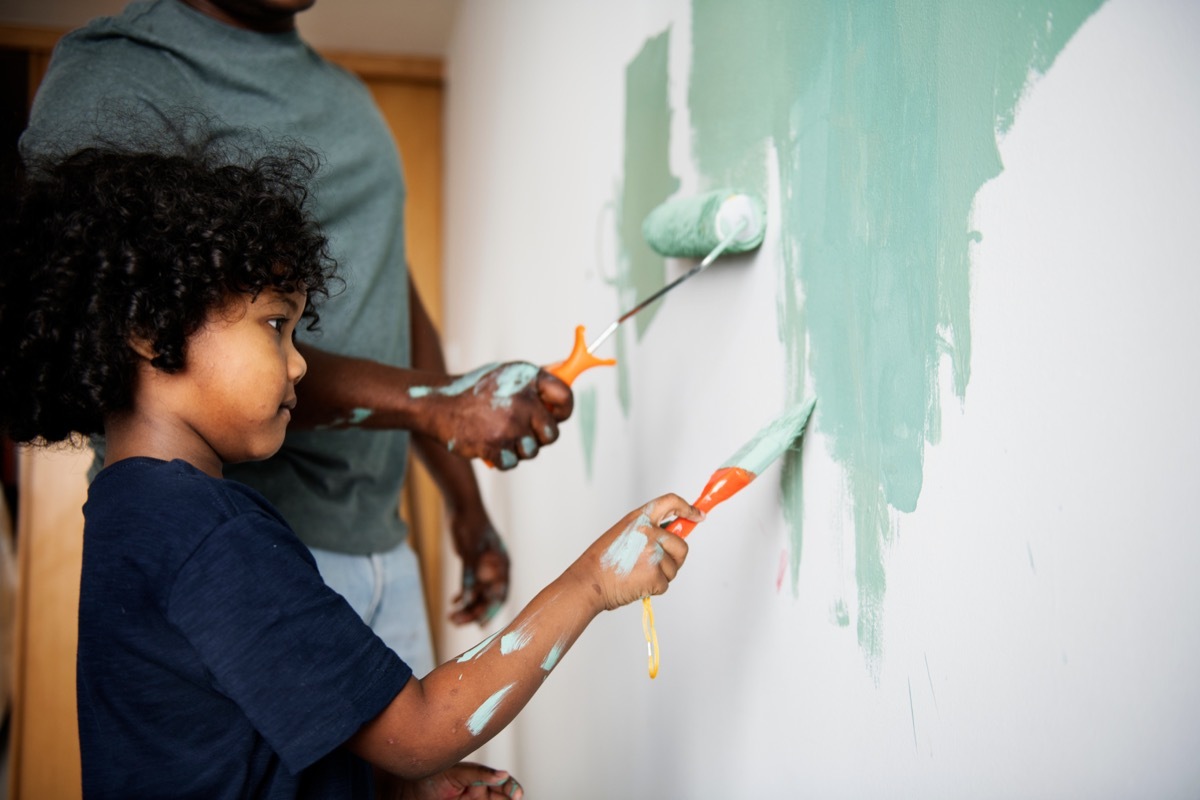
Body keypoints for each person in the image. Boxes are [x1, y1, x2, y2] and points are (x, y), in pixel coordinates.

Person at [0, 139, 697, 798]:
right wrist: (593, 581)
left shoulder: (129, 513)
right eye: (276, 324)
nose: (300, 362)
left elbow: (241, 747)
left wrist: (390, 790)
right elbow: (422, 730)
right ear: (152, 331)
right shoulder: (211, 537)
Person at [19, 0, 570, 677]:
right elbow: (107, 319)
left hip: (383, 550)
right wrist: (435, 403)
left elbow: (390, 294)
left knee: (415, 776)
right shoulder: (119, 71)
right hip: (232, 549)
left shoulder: (348, 98)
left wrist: (465, 501)